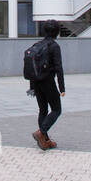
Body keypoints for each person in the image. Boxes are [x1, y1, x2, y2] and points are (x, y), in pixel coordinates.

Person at [29, 20, 67, 150]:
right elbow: (58, 68)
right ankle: (41, 132)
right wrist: (62, 88)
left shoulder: (37, 45)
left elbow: (31, 66)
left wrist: (32, 86)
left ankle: (45, 140)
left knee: (43, 110)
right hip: (48, 82)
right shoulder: (54, 46)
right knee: (56, 109)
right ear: (57, 32)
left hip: (36, 82)